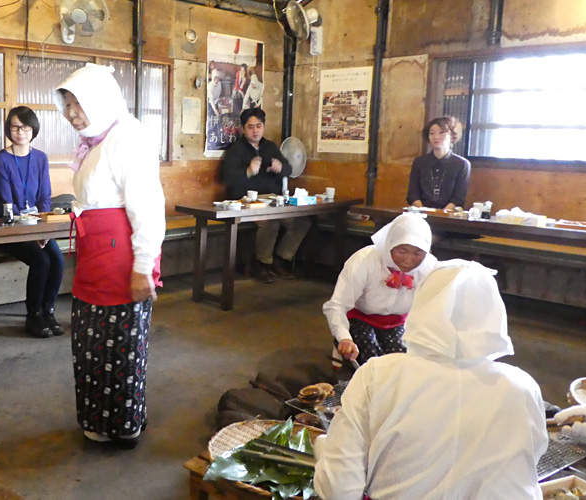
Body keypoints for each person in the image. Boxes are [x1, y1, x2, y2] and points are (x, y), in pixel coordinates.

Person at [314, 260, 548, 500]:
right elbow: (532, 457)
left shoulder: (378, 374)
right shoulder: (523, 385)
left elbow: (339, 489)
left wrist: (323, 448)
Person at [55, 64, 165, 448]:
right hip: (95, 257)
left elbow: (148, 208)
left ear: (99, 100)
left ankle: (123, 424)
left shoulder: (128, 137)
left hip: (122, 259)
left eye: (76, 104)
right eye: (67, 104)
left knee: (120, 344)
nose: (70, 114)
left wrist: (142, 268)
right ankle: (96, 418)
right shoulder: (94, 141)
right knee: (90, 342)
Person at [323, 213, 437, 366]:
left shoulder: (430, 267)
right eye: (402, 250)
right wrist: (344, 337)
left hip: (398, 322)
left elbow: (434, 308)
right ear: (390, 243)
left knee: (401, 361)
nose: (409, 260)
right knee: (369, 356)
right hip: (360, 318)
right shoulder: (364, 260)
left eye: (418, 253)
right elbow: (336, 305)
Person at [0, 106, 64, 339]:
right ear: (8, 130)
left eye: (25, 127)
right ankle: (33, 316)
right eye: (14, 126)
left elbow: (45, 196)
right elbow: (4, 202)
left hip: (36, 227)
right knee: (41, 260)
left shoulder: (40, 158)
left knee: (57, 259)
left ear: (33, 129)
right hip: (7, 227)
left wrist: (42, 229)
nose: (20, 132)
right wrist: (32, 233)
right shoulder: (1, 159)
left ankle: (48, 311)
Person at [218, 107, 310, 283]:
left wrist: (281, 168)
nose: (255, 130)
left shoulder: (270, 147)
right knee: (270, 223)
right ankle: (261, 264)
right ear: (243, 129)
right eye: (250, 127)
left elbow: (289, 168)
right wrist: (248, 171)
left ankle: (280, 259)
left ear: (264, 127)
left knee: (301, 222)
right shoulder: (236, 149)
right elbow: (226, 178)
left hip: (272, 201)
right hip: (245, 202)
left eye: (258, 126)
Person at [406, 116, 471, 210]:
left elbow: (458, 198)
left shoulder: (462, 164)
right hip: (420, 214)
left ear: (452, 137)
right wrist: (423, 211)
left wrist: (441, 214)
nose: (436, 137)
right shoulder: (419, 162)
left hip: (448, 216)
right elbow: (412, 194)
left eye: (441, 132)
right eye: (432, 133)